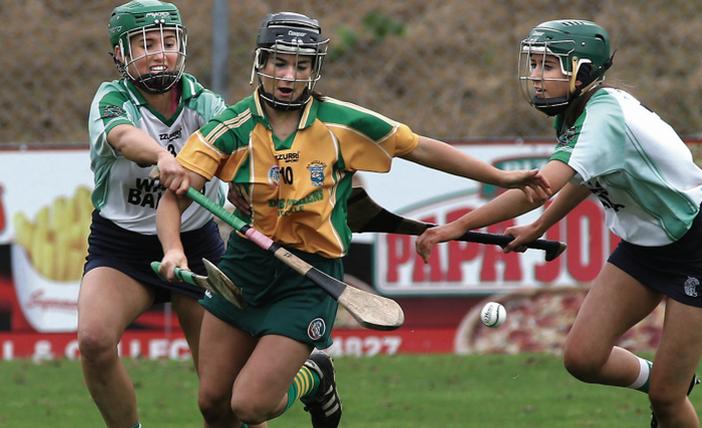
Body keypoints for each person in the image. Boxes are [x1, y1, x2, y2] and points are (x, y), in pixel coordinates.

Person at [155, 11, 550, 428]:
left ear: (315, 70)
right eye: (280, 63)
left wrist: (501, 176)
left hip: (309, 278)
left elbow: (421, 148)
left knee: (250, 405)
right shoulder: (230, 129)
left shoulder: (341, 123)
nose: (290, 75)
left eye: (302, 65)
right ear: (261, 63)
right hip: (243, 269)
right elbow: (174, 195)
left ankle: (315, 377)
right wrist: (173, 248)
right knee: (214, 404)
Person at [415, 19, 702, 428]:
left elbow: (540, 186)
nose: (536, 76)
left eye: (549, 66)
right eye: (534, 64)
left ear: (583, 72)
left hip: (697, 252)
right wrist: (538, 226)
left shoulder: (603, 119)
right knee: (583, 359)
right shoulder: (577, 110)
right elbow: (585, 177)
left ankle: (669, 386)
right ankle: (669, 379)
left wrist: (458, 226)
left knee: (666, 398)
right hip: (642, 251)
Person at [79, 1, 228, 427]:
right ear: (121, 54)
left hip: (198, 243)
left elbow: (235, 157)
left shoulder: (208, 104)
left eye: (167, 42)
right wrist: (163, 156)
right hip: (121, 246)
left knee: (222, 394)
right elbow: (122, 136)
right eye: (145, 44)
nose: (159, 53)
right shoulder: (111, 98)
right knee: (94, 340)